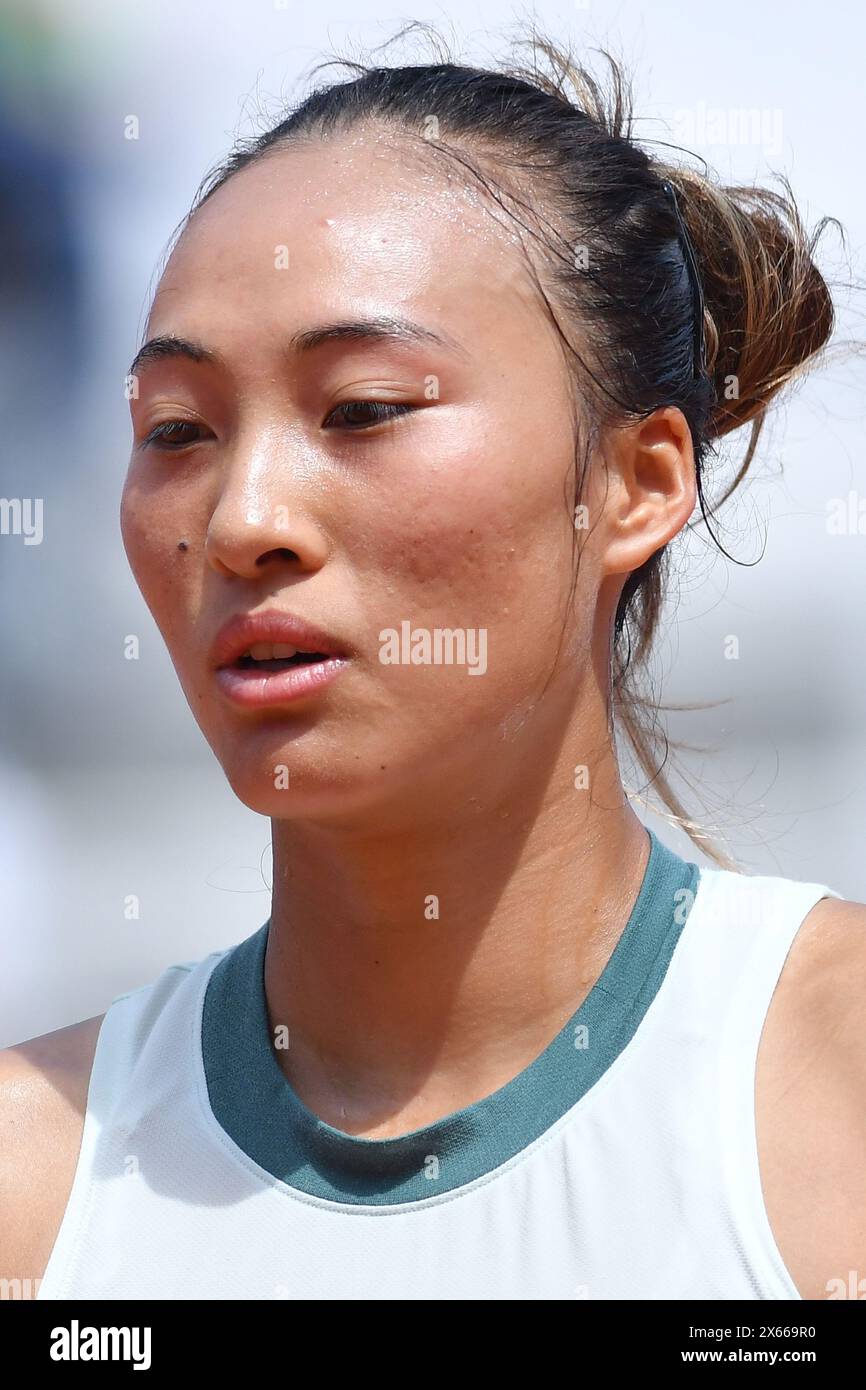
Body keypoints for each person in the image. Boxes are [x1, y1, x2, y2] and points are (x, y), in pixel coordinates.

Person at [3, 32, 863, 1301]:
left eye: (361, 408)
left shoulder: (830, 1101)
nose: (242, 519)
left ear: (635, 484)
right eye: (175, 430)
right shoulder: (36, 1189)